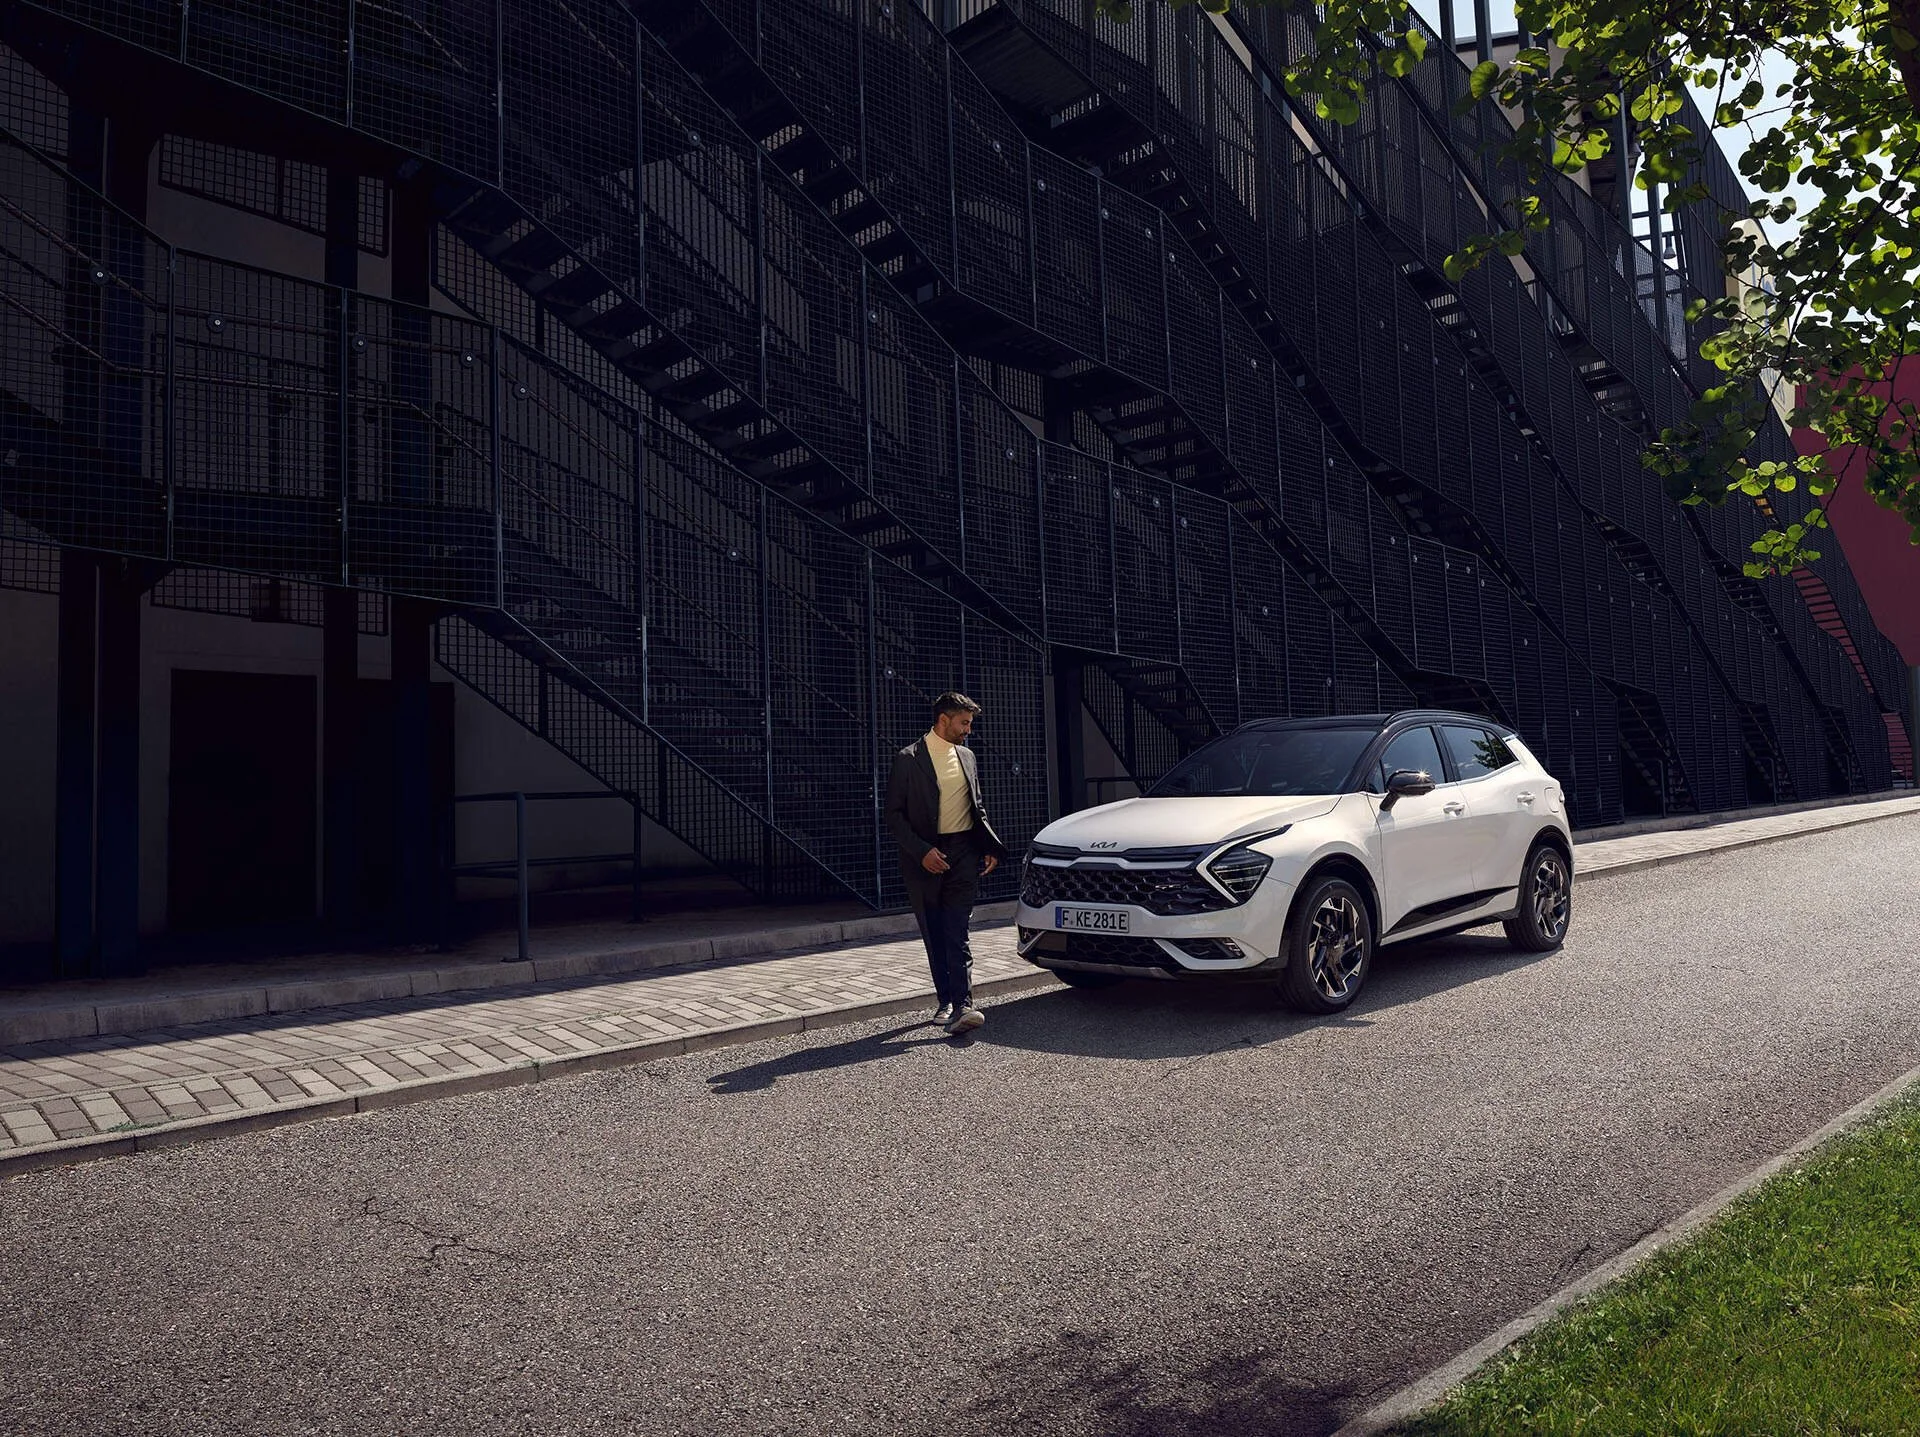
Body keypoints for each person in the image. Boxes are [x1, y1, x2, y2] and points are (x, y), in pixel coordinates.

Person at [884, 691, 1007, 1036]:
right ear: (944, 720)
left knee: (958, 930)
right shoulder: (908, 759)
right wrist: (922, 851)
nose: (968, 730)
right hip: (924, 856)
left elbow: (976, 808)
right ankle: (946, 1001)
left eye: (969, 723)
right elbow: (893, 815)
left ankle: (964, 1003)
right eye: (963, 723)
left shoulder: (967, 757)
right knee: (935, 932)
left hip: (964, 852)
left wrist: (989, 847)